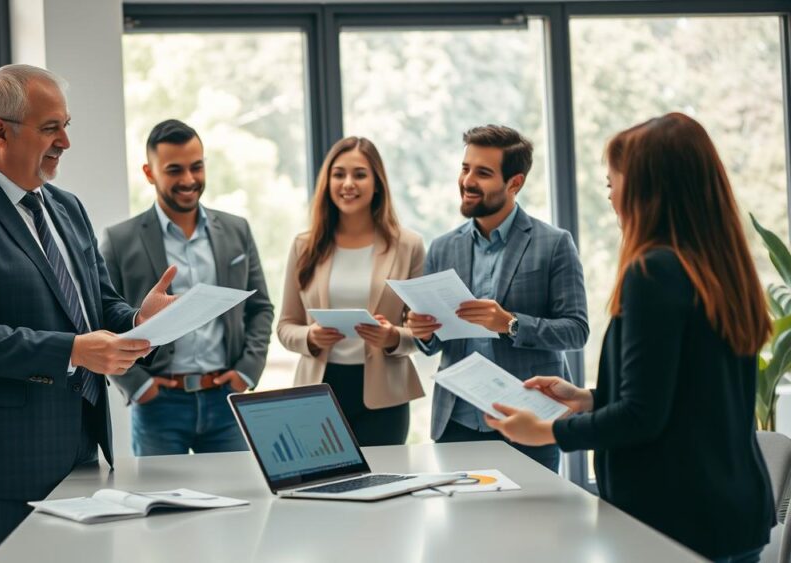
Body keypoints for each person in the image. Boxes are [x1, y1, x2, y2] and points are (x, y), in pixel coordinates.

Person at [0, 64, 177, 562]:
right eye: (51, 128)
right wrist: (76, 351)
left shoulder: (66, 207)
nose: (66, 142)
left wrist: (142, 321)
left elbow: (98, 307)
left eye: (66, 126)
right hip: (5, 461)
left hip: (82, 448)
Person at [485, 113, 776, 562]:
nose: (610, 197)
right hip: (731, 517)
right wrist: (587, 399)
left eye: (612, 183)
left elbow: (642, 417)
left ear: (647, 189)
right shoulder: (722, 268)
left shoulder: (653, 272)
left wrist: (545, 430)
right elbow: (687, 397)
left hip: (672, 524)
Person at [406, 125, 588, 471]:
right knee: (461, 526)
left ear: (514, 183)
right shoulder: (443, 247)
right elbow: (432, 345)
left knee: (531, 525)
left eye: (483, 173)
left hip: (527, 420)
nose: (468, 181)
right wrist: (423, 331)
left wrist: (511, 324)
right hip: (457, 421)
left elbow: (576, 331)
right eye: (465, 168)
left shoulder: (554, 244)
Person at [101, 119, 274, 455]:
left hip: (227, 400)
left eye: (196, 167)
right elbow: (101, 317)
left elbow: (261, 308)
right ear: (149, 173)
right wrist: (138, 386)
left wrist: (246, 374)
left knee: (238, 505)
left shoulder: (237, 230)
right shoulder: (120, 240)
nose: (189, 180)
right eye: (174, 170)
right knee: (165, 506)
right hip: (158, 406)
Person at [277, 136, 425, 446]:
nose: (348, 183)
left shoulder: (408, 245)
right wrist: (310, 337)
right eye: (338, 174)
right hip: (318, 391)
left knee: (383, 486)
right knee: (320, 488)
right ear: (327, 182)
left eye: (359, 174)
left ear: (377, 183)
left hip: (384, 398)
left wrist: (394, 337)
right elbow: (285, 326)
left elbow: (423, 332)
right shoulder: (304, 246)